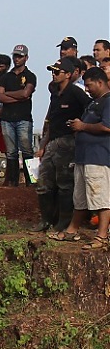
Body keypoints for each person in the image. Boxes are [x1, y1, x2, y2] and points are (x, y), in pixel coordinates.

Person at [50, 67, 110, 250]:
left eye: (90, 85)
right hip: (83, 156)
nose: (87, 89)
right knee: (80, 197)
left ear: (100, 82)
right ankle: (72, 230)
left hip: (98, 157)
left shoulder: (108, 101)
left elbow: (107, 127)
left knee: (100, 197)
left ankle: (101, 236)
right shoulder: (94, 103)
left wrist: (82, 126)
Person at [32, 59, 91, 232]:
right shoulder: (55, 93)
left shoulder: (75, 92)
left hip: (68, 142)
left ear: (68, 74)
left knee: (65, 184)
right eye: (52, 71)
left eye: (57, 72)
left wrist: (80, 127)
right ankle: (46, 220)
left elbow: (90, 108)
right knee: (43, 183)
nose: (53, 75)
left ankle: (63, 222)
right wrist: (43, 145)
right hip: (53, 142)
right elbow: (52, 121)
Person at [0, 44, 37, 186]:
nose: (17, 59)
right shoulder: (6, 77)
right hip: (7, 119)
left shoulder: (30, 76)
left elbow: (26, 93)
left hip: (24, 118)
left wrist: (7, 95)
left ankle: (32, 181)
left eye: (20, 56)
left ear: (26, 58)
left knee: (27, 150)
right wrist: (18, 97)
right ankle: (13, 182)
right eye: (15, 56)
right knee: (11, 152)